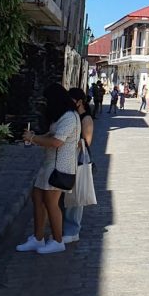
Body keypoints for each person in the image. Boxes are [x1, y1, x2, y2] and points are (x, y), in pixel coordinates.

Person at [17, 83, 80, 255]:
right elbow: (51, 136)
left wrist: (34, 139)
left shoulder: (69, 117)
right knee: (37, 197)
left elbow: (56, 142)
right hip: (49, 164)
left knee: (51, 203)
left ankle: (58, 240)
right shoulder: (61, 117)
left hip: (60, 166)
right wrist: (34, 137)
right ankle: (38, 238)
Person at [62, 87, 94, 244]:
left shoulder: (86, 119)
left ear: (79, 102)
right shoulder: (72, 116)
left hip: (79, 160)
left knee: (76, 197)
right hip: (68, 158)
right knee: (67, 195)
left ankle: (73, 230)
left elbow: (86, 142)